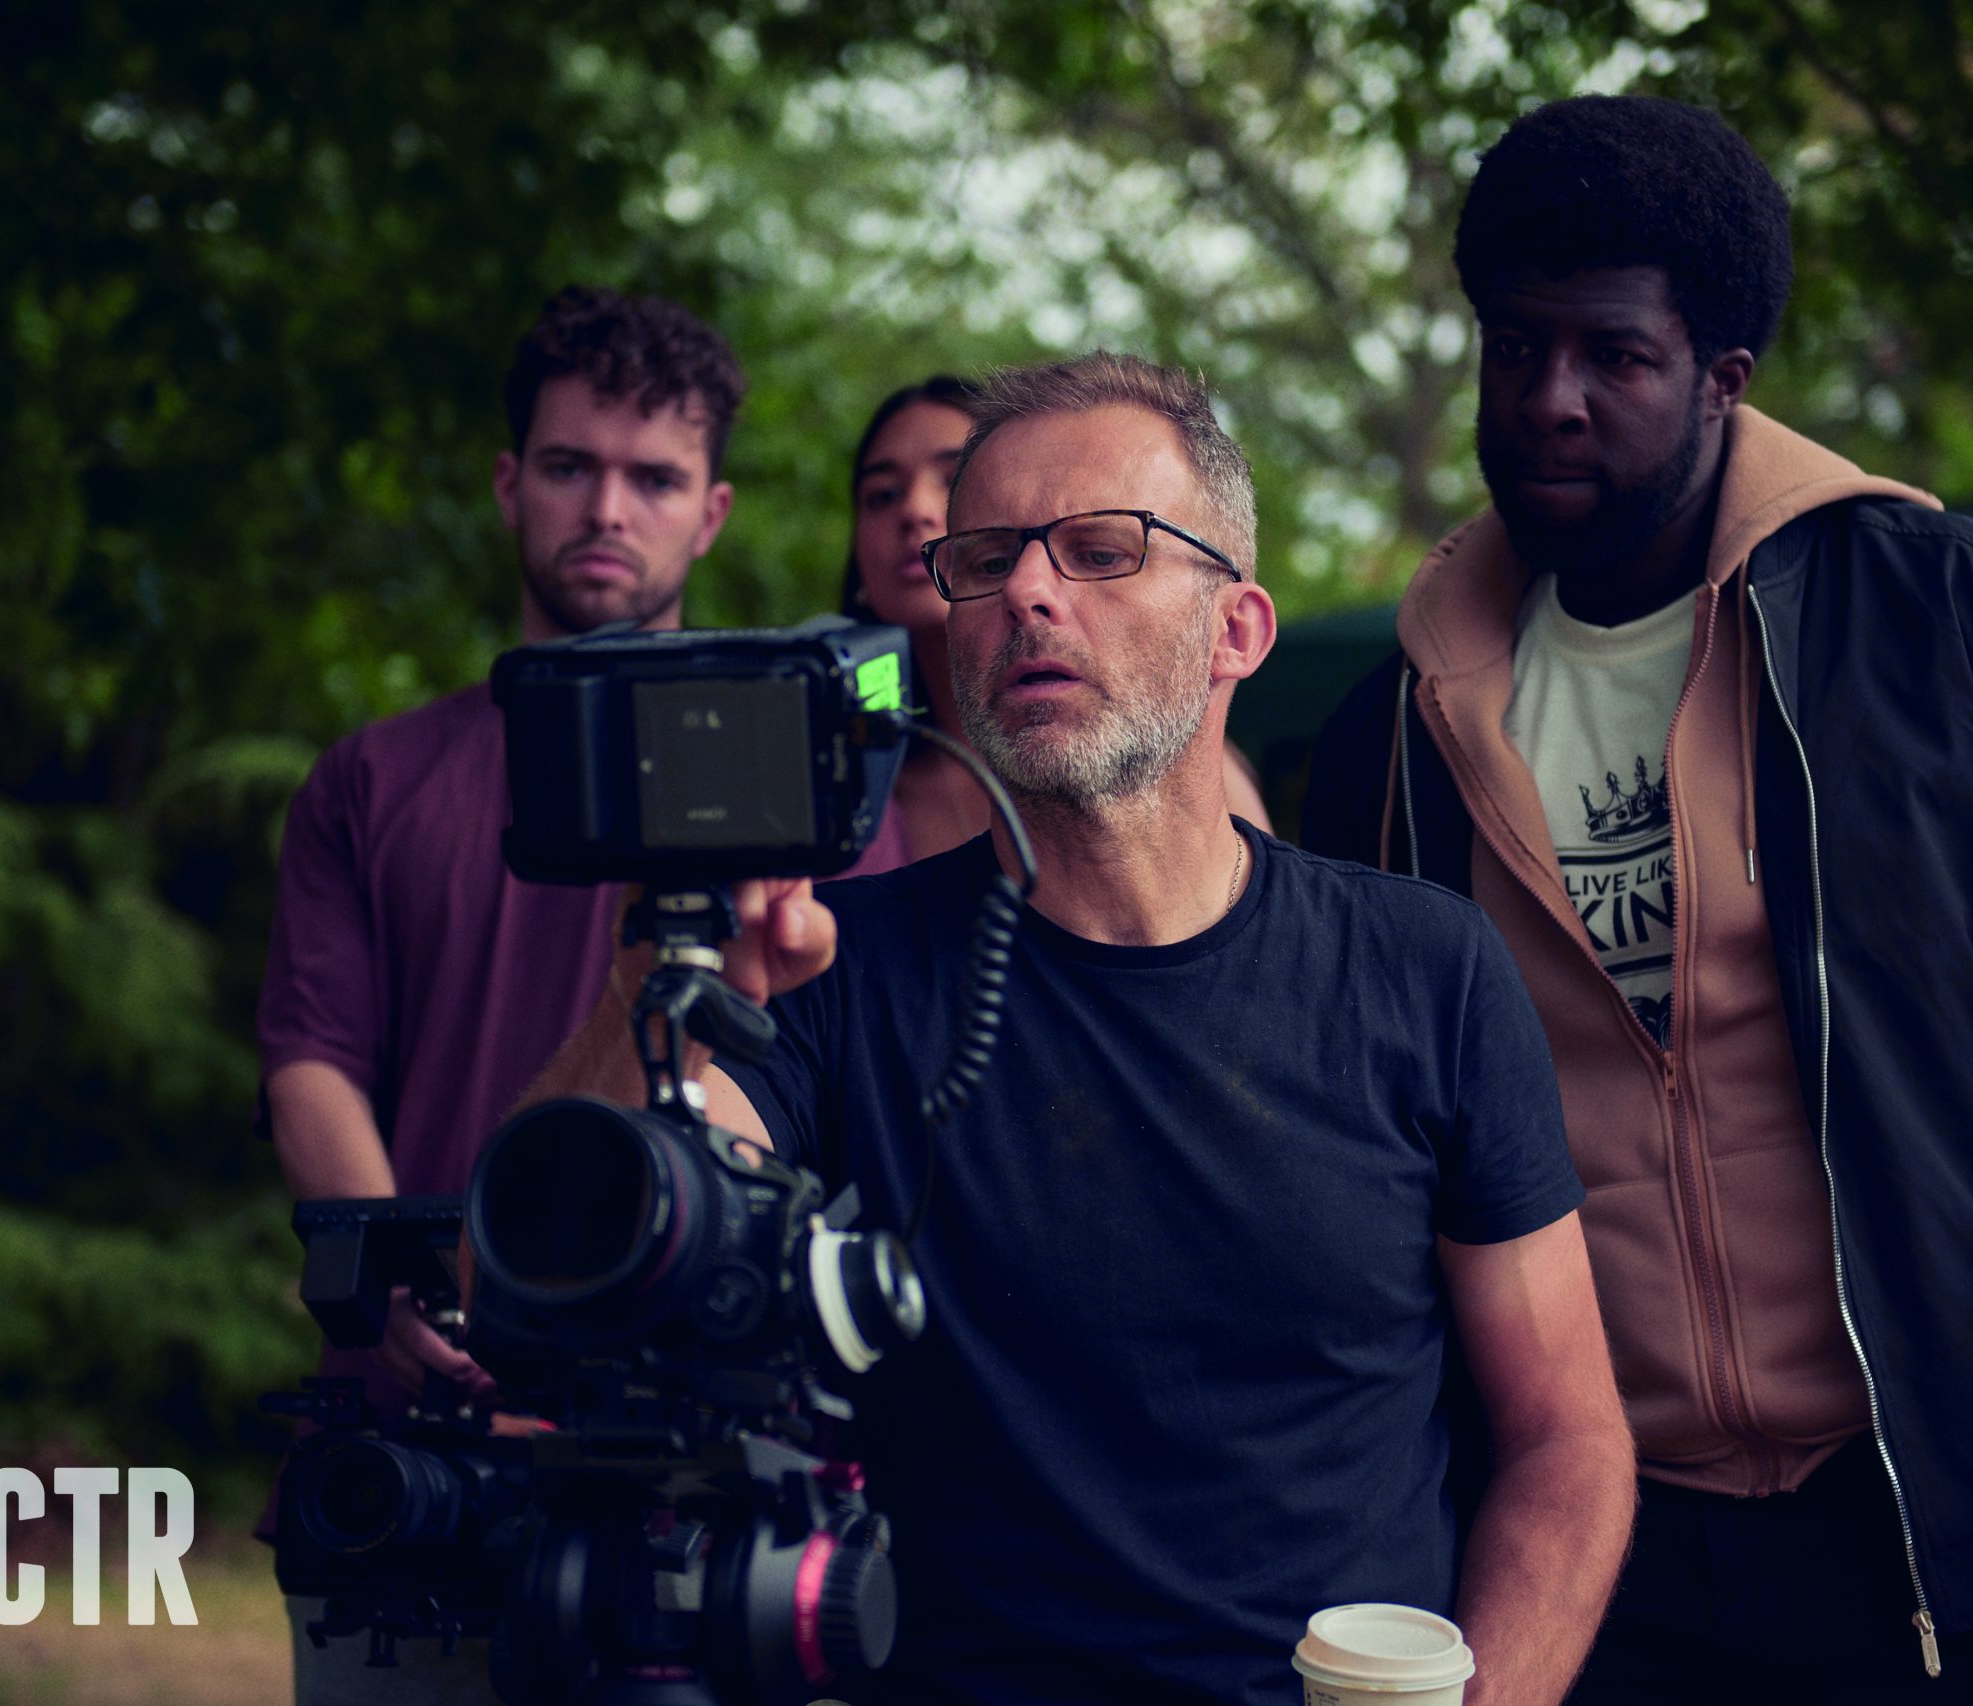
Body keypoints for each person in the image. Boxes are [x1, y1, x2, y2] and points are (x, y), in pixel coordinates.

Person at [1302, 95, 1973, 1704]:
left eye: (1612, 357)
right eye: (1514, 346)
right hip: (1598, 1547)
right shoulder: (1394, 742)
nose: (1550, 401)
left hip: (1941, 1515)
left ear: (1724, 378)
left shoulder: (1958, 617)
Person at [532, 352, 1635, 1704]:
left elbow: (1566, 1440)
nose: (1029, 591)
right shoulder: (831, 966)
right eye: (984, 559)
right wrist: (663, 967)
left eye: (1102, 550)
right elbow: (527, 1267)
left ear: (1237, 629)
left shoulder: (1424, 968)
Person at [254, 284, 743, 1701]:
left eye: (654, 477)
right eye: (571, 464)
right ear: (507, 481)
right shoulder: (373, 777)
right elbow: (313, 1058)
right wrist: (404, 1292)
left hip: (684, 1460)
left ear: (708, 513)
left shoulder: (792, 780)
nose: (610, 507)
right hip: (408, 1449)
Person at [837, 374, 1273, 874]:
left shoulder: (1168, 764)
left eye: (951, 478)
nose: (914, 510)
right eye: (882, 495)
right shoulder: (833, 774)